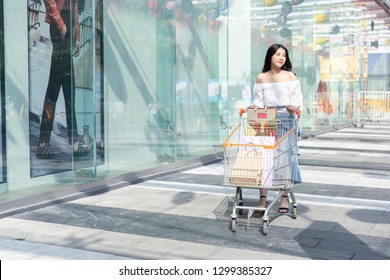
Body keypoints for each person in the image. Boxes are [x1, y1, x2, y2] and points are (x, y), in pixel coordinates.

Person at [247, 43, 302, 214]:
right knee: (264, 158)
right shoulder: (261, 77)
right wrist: (253, 107)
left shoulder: (290, 76)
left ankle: (284, 196)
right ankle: (262, 198)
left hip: (286, 120)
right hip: (267, 121)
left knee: (284, 159)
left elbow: (298, 99)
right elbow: (258, 101)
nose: (281, 58)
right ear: (270, 56)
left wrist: (294, 107)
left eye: (283, 55)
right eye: (277, 54)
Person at [36, 0, 80, 159]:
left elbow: (74, 5)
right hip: (59, 27)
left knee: (61, 87)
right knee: (66, 87)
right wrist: (60, 24)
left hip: (66, 27)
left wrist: (76, 33)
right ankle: (73, 141)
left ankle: (44, 143)